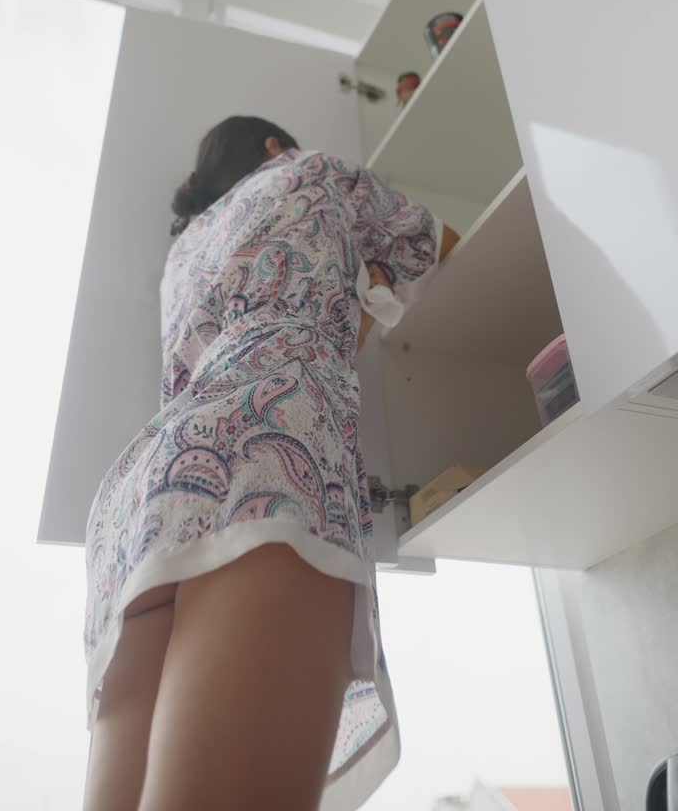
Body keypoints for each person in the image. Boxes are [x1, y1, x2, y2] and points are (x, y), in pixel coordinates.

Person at [82, 115, 459, 811]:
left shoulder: (183, 250)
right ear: (270, 147)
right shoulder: (310, 168)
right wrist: (363, 295)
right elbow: (433, 243)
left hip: (146, 493)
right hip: (265, 443)